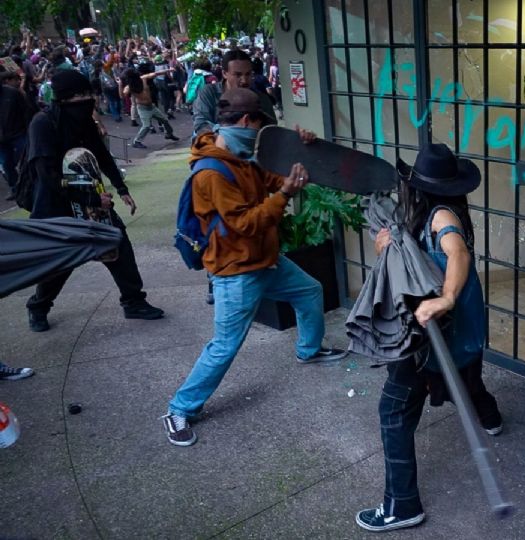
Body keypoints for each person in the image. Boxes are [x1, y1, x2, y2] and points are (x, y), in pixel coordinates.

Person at [162, 88, 347, 447]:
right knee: (225, 346)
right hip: (236, 271)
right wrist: (284, 196)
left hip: (263, 259)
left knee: (310, 291)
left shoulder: (242, 154)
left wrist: (302, 156)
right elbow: (244, 224)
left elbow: (273, 181)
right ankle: (179, 408)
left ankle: (308, 350)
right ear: (247, 121)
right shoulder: (212, 173)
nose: (260, 130)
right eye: (260, 122)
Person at [356, 143, 503, 532]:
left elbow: (457, 254)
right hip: (460, 330)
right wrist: (385, 244)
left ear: (418, 185)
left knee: (394, 411)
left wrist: (445, 298)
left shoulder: (440, 216)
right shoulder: (429, 213)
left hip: (438, 329)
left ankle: (402, 505)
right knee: (467, 379)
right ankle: (491, 417)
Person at [25, 70, 164, 331]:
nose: (87, 99)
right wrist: (87, 196)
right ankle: (39, 306)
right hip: (56, 205)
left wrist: (121, 188)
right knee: (61, 262)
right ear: (64, 98)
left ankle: (133, 301)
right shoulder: (42, 124)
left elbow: (101, 154)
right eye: (81, 95)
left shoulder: (83, 121)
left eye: (89, 93)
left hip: (95, 199)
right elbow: (46, 175)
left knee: (117, 246)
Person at [192, 48, 275, 136]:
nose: (244, 81)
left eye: (248, 74)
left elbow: (271, 129)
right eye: (238, 75)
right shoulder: (209, 93)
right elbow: (201, 124)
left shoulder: (260, 98)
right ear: (224, 74)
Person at [121, 66, 178, 149]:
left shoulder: (143, 79)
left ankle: (169, 134)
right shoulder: (129, 87)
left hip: (151, 106)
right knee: (146, 126)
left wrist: (169, 70)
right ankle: (136, 141)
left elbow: (156, 73)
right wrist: (120, 85)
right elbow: (122, 96)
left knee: (165, 120)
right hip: (143, 108)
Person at [0, 70, 31, 201]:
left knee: (27, 159)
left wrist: (28, 129)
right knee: (7, 165)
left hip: (18, 133)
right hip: (1, 140)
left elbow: (26, 111)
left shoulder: (12, 93)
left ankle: (32, 186)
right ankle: (16, 189)